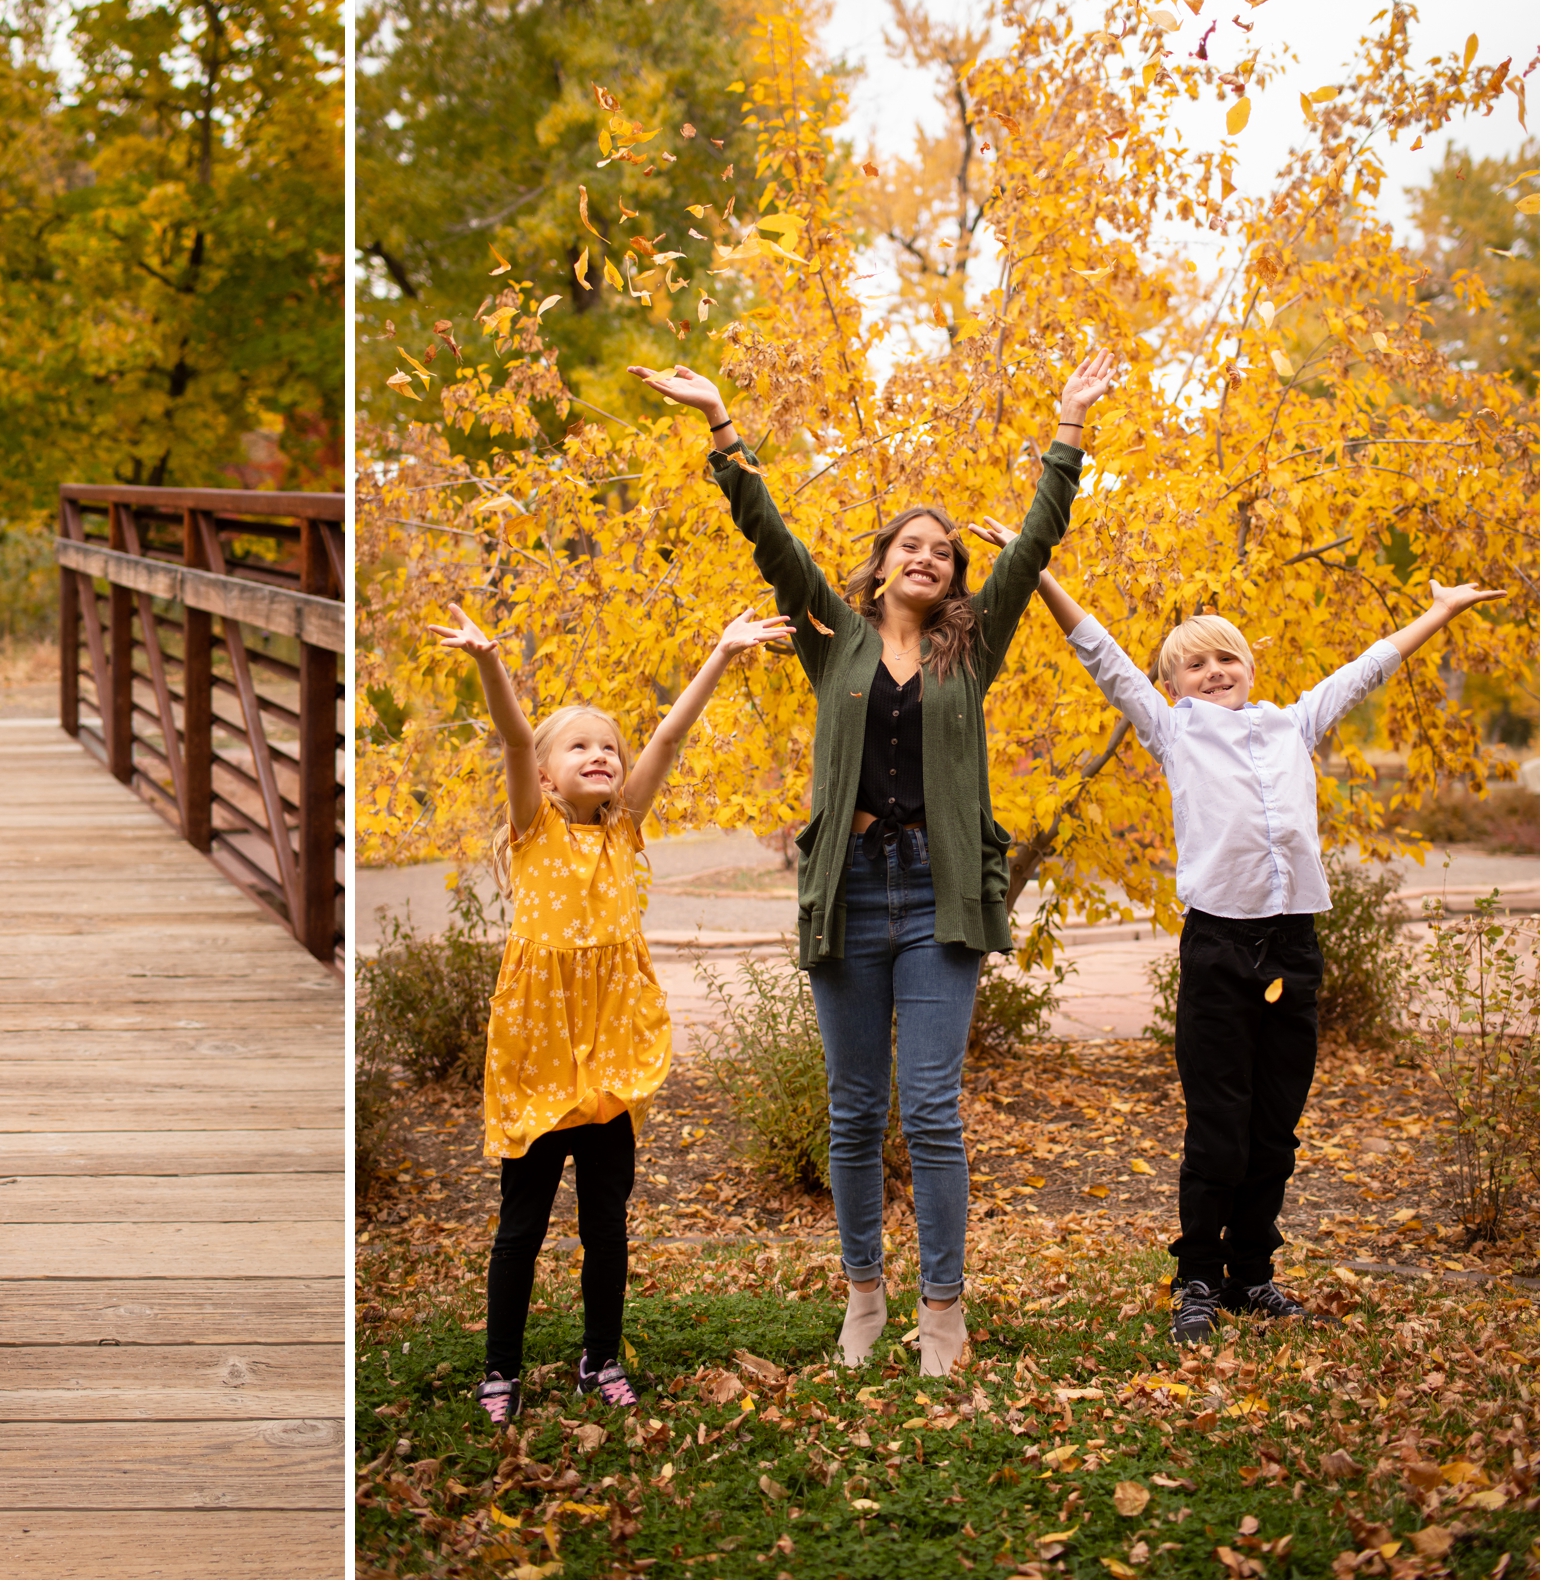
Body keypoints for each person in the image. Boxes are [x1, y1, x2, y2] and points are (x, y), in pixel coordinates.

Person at [631, 350, 1119, 1376]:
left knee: (931, 1108)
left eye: (943, 549)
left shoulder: (972, 644)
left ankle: (944, 1308)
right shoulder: (834, 639)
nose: (929, 557)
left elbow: (1033, 545)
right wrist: (721, 422)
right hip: (849, 894)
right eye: (911, 544)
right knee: (854, 1109)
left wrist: (1068, 428)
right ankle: (864, 1294)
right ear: (883, 561)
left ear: (953, 573)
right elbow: (772, 538)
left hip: (939, 899)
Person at [1031, 566, 1505, 1344]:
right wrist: (1042, 572)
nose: (1216, 672)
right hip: (1219, 949)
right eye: (1197, 663)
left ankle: (1252, 1276)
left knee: (1275, 1130)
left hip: (1294, 947)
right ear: (1173, 684)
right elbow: (1100, 653)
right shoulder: (1172, 730)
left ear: (1251, 668)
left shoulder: (1293, 724)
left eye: (1229, 659)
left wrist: (1441, 613)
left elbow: (1370, 667)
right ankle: (1197, 1280)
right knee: (1218, 1128)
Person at [431, 602, 797, 1426]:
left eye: (608, 746)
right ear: (552, 775)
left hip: (610, 1057)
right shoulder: (533, 831)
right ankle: (501, 1369)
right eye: (579, 745)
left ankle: (600, 1357)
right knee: (519, 1229)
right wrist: (490, 662)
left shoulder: (626, 828)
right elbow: (517, 738)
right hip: (537, 1055)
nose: (598, 755)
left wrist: (722, 651)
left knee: (607, 1223)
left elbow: (667, 738)